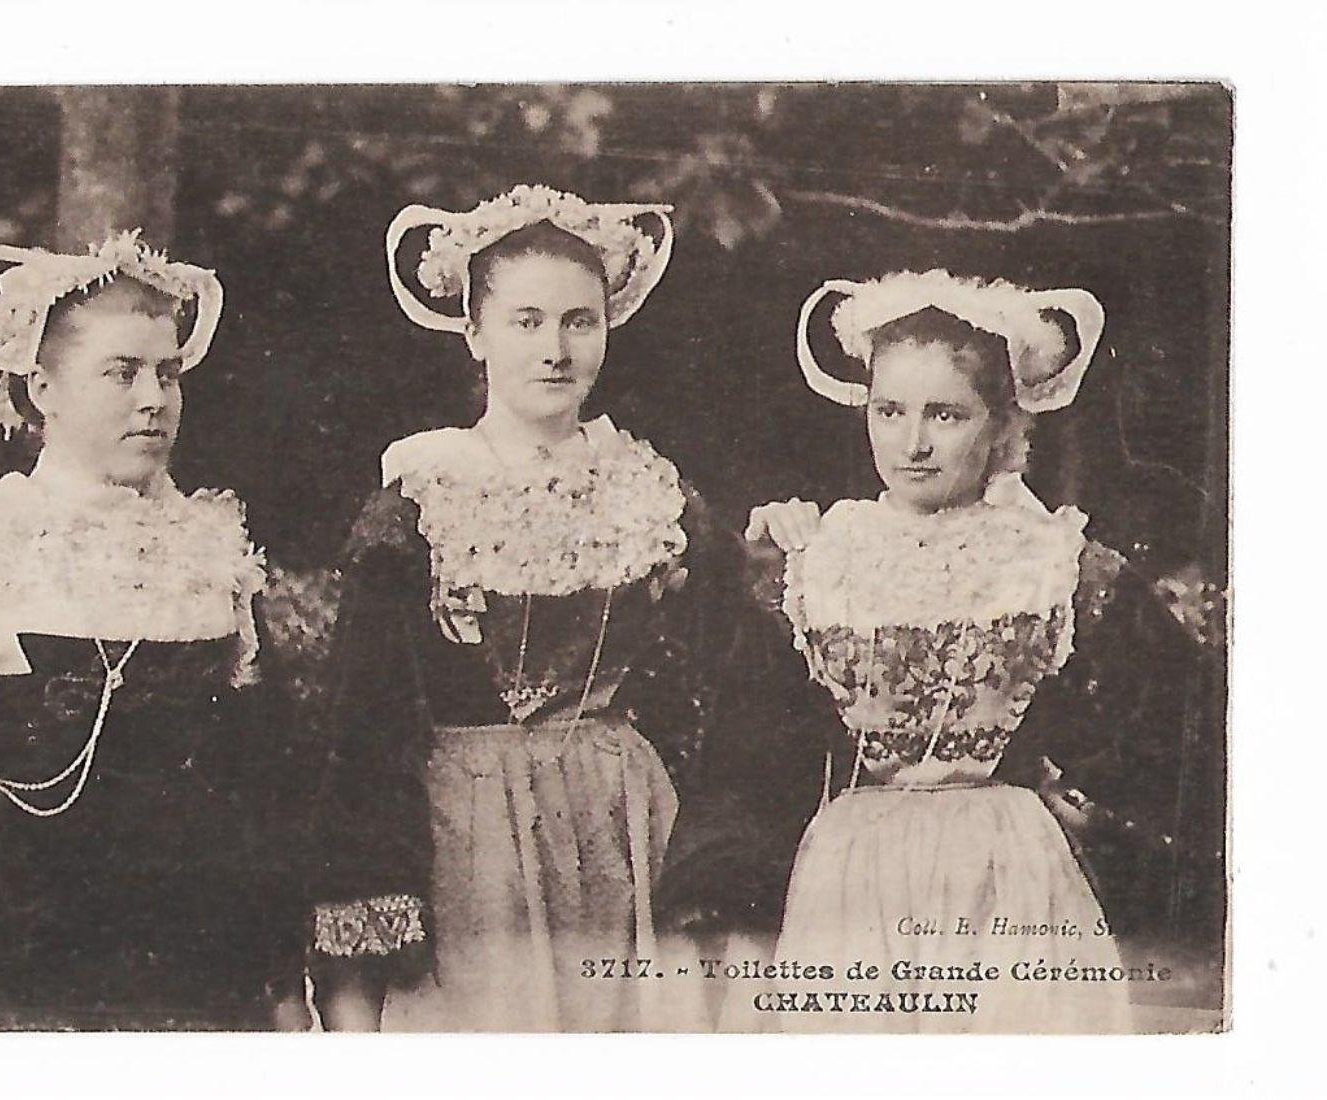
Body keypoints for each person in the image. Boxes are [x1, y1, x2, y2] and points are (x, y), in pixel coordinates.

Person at [306, 184, 775, 1032]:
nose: (555, 350)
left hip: (624, 826)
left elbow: (734, 677)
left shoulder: (652, 493)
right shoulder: (419, 501)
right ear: (474, 332)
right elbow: (361, 728)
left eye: (578, 321)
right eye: (526, 322)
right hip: (472, 839)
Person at [681, 269, 1198, 1033]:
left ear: (1000, 424)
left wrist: (1087, 815)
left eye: (946, 414)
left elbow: (1179, 738)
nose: (912, 442)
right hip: (852, 871)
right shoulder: (810, 559)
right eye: (889, 410)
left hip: (1010, 869)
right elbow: (745, 760)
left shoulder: (1057, 563)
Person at [0, 232, 312, 1029]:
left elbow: (262, 781)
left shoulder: (213, 546)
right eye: (120, 373)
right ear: (43, 389)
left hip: (199, 978)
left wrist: (279, 983)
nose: (152, 397)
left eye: (168, 373)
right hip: (25, 981)